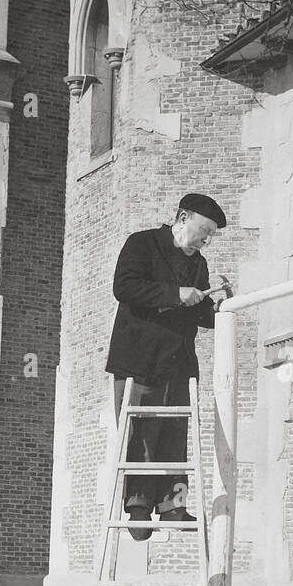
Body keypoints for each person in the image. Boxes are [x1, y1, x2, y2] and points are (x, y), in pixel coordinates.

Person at [105, 193, 232, 541]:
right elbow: (125, 287)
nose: (206, 240)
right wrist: (176, 294)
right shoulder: (142, 244)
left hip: (178, 366)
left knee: (175, 436)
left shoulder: (199, 265)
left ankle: (173, 504)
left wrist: (218, 307)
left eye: (210, 236)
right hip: (139, 362)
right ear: (182, 217)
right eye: (203, 231)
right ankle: (139, 508)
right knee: (140, 435)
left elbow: (198, 311)